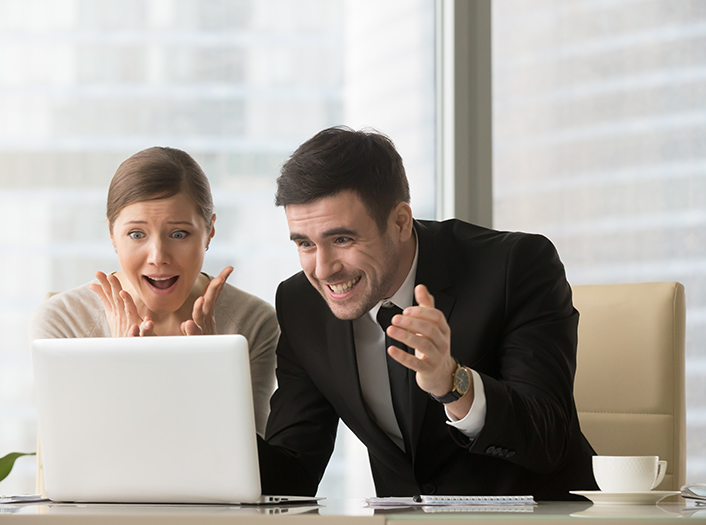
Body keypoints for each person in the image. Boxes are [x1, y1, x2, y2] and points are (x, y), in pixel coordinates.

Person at [256, 126, 598, 500]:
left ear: (401, 221)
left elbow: (550, 438)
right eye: (305, 244)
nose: (322, 270)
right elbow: (290, 476)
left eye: (342, 239)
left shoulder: (514, 266)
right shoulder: (301, 303)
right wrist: (210, 401)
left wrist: (454, 383)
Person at [29, 147, 279, 435]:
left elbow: (250, 469)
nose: (158, 256)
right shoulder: (62, 323)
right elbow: (76, 465)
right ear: (112, 234)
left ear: (209, 231)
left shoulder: (253, 323)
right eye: (137, 234)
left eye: (179, 234)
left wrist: (211, 372)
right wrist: (121, 369)